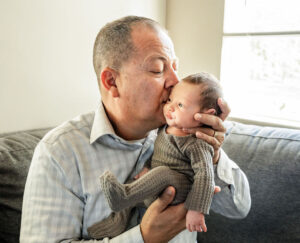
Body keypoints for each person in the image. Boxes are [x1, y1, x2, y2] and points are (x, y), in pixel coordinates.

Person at [20, 16, 251, 243]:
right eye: (158, 69)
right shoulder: (59, 153)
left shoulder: (183, 130)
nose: (175, 81)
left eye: (175, 67)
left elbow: (238, 207)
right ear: (112, 81)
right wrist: (144, 238)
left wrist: (213, 154)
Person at [88, 72, 229, 239]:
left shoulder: (196, 143)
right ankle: (114, 224)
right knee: (134, 185)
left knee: (163, 173)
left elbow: (205, 175)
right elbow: (157, 153)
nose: (170, 107)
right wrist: (147, 167)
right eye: (170, 100)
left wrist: (196, 210)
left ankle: (124, 196)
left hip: (180, 188)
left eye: (181, 105)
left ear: (205, 114)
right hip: (159, 186)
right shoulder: (163, 129)